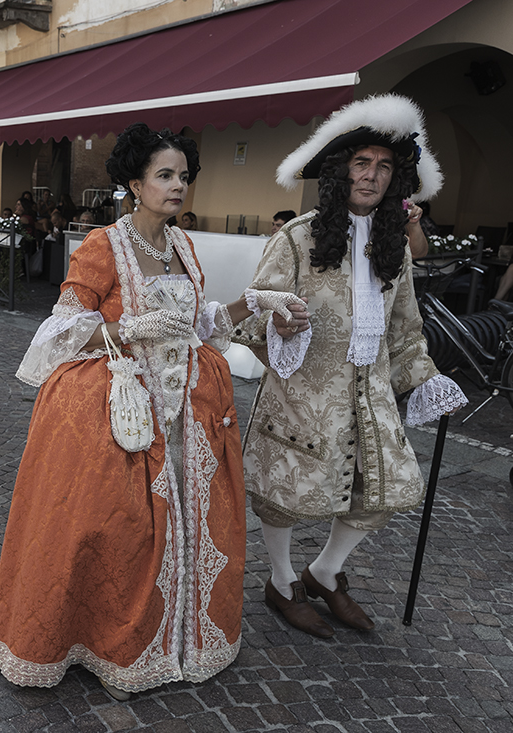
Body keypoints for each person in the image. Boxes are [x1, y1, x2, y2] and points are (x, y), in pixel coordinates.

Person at [0, 122, 304, 700]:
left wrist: (257, 302)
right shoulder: (102, 245)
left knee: (190, 518)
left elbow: (201, 326)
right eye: (165, 175)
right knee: (116, 528)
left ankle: (184, 637)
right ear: (135, 183)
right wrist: (126, 326)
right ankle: (110, 641)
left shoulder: (183, 245)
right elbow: (58, 334)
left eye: (184, 175)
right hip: (122, 406)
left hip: (188, 408)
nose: (178, 185)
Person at [243, 93, 467, 639]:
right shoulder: (296, 237)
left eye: (384, 166)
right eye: (361, 163)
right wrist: (279, 327)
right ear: (341, 171)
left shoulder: (395, 248)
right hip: (303, 394)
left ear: (396, 178)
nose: (371, 175)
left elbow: (405, 331)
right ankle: (281, 580)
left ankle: (325, 572)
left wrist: (428, 382)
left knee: (386, 490)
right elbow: (252, 316)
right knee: (282, 498)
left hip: (370, 395)